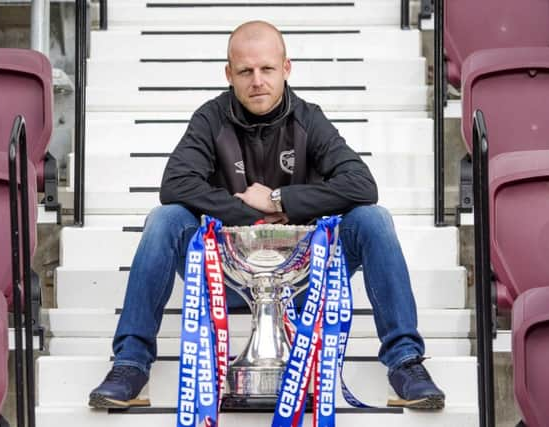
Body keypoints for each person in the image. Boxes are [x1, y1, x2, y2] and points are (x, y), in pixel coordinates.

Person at [89, 20, 445, 411]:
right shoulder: (210, 119)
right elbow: (175, 184)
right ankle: (130, 365)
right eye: (245, 71)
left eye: (267, 69)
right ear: (229, 74)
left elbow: (362, 185)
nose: (257, 80)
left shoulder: (309, 119)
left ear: (286, 68)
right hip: (229, 280)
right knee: (165, 220)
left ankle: (406, 363)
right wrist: (251, 215)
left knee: (373, 219)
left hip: (301, 285)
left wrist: (279, 199)